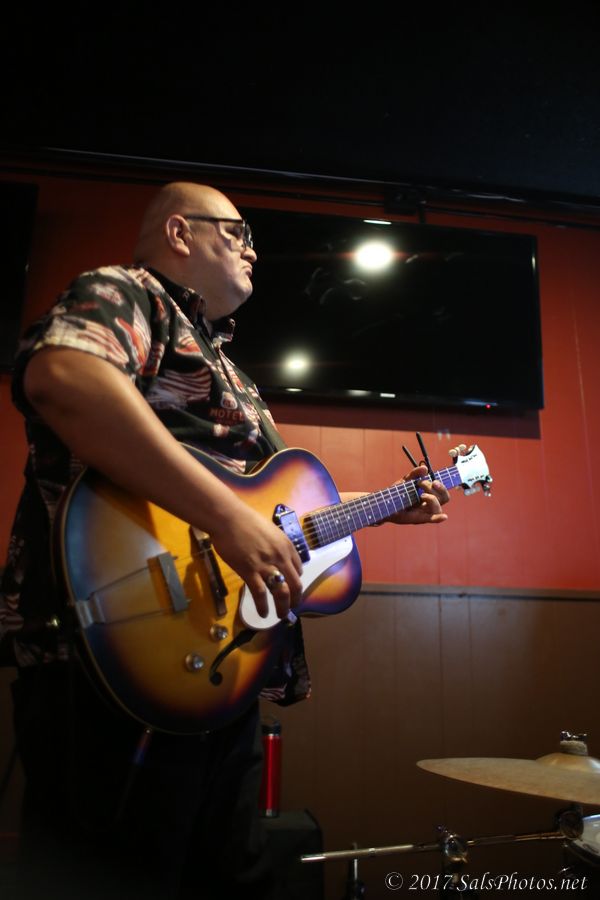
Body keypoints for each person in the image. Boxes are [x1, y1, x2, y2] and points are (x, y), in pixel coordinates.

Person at [0, 182, 450, 899]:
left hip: (220, 671)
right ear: (181, 233)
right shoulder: (129, 293)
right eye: (237, 233)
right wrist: (228, 520)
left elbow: (267, 510)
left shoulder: (230, 368)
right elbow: (64, 375)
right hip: (112, 653)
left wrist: (384, 505)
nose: (253, 250)